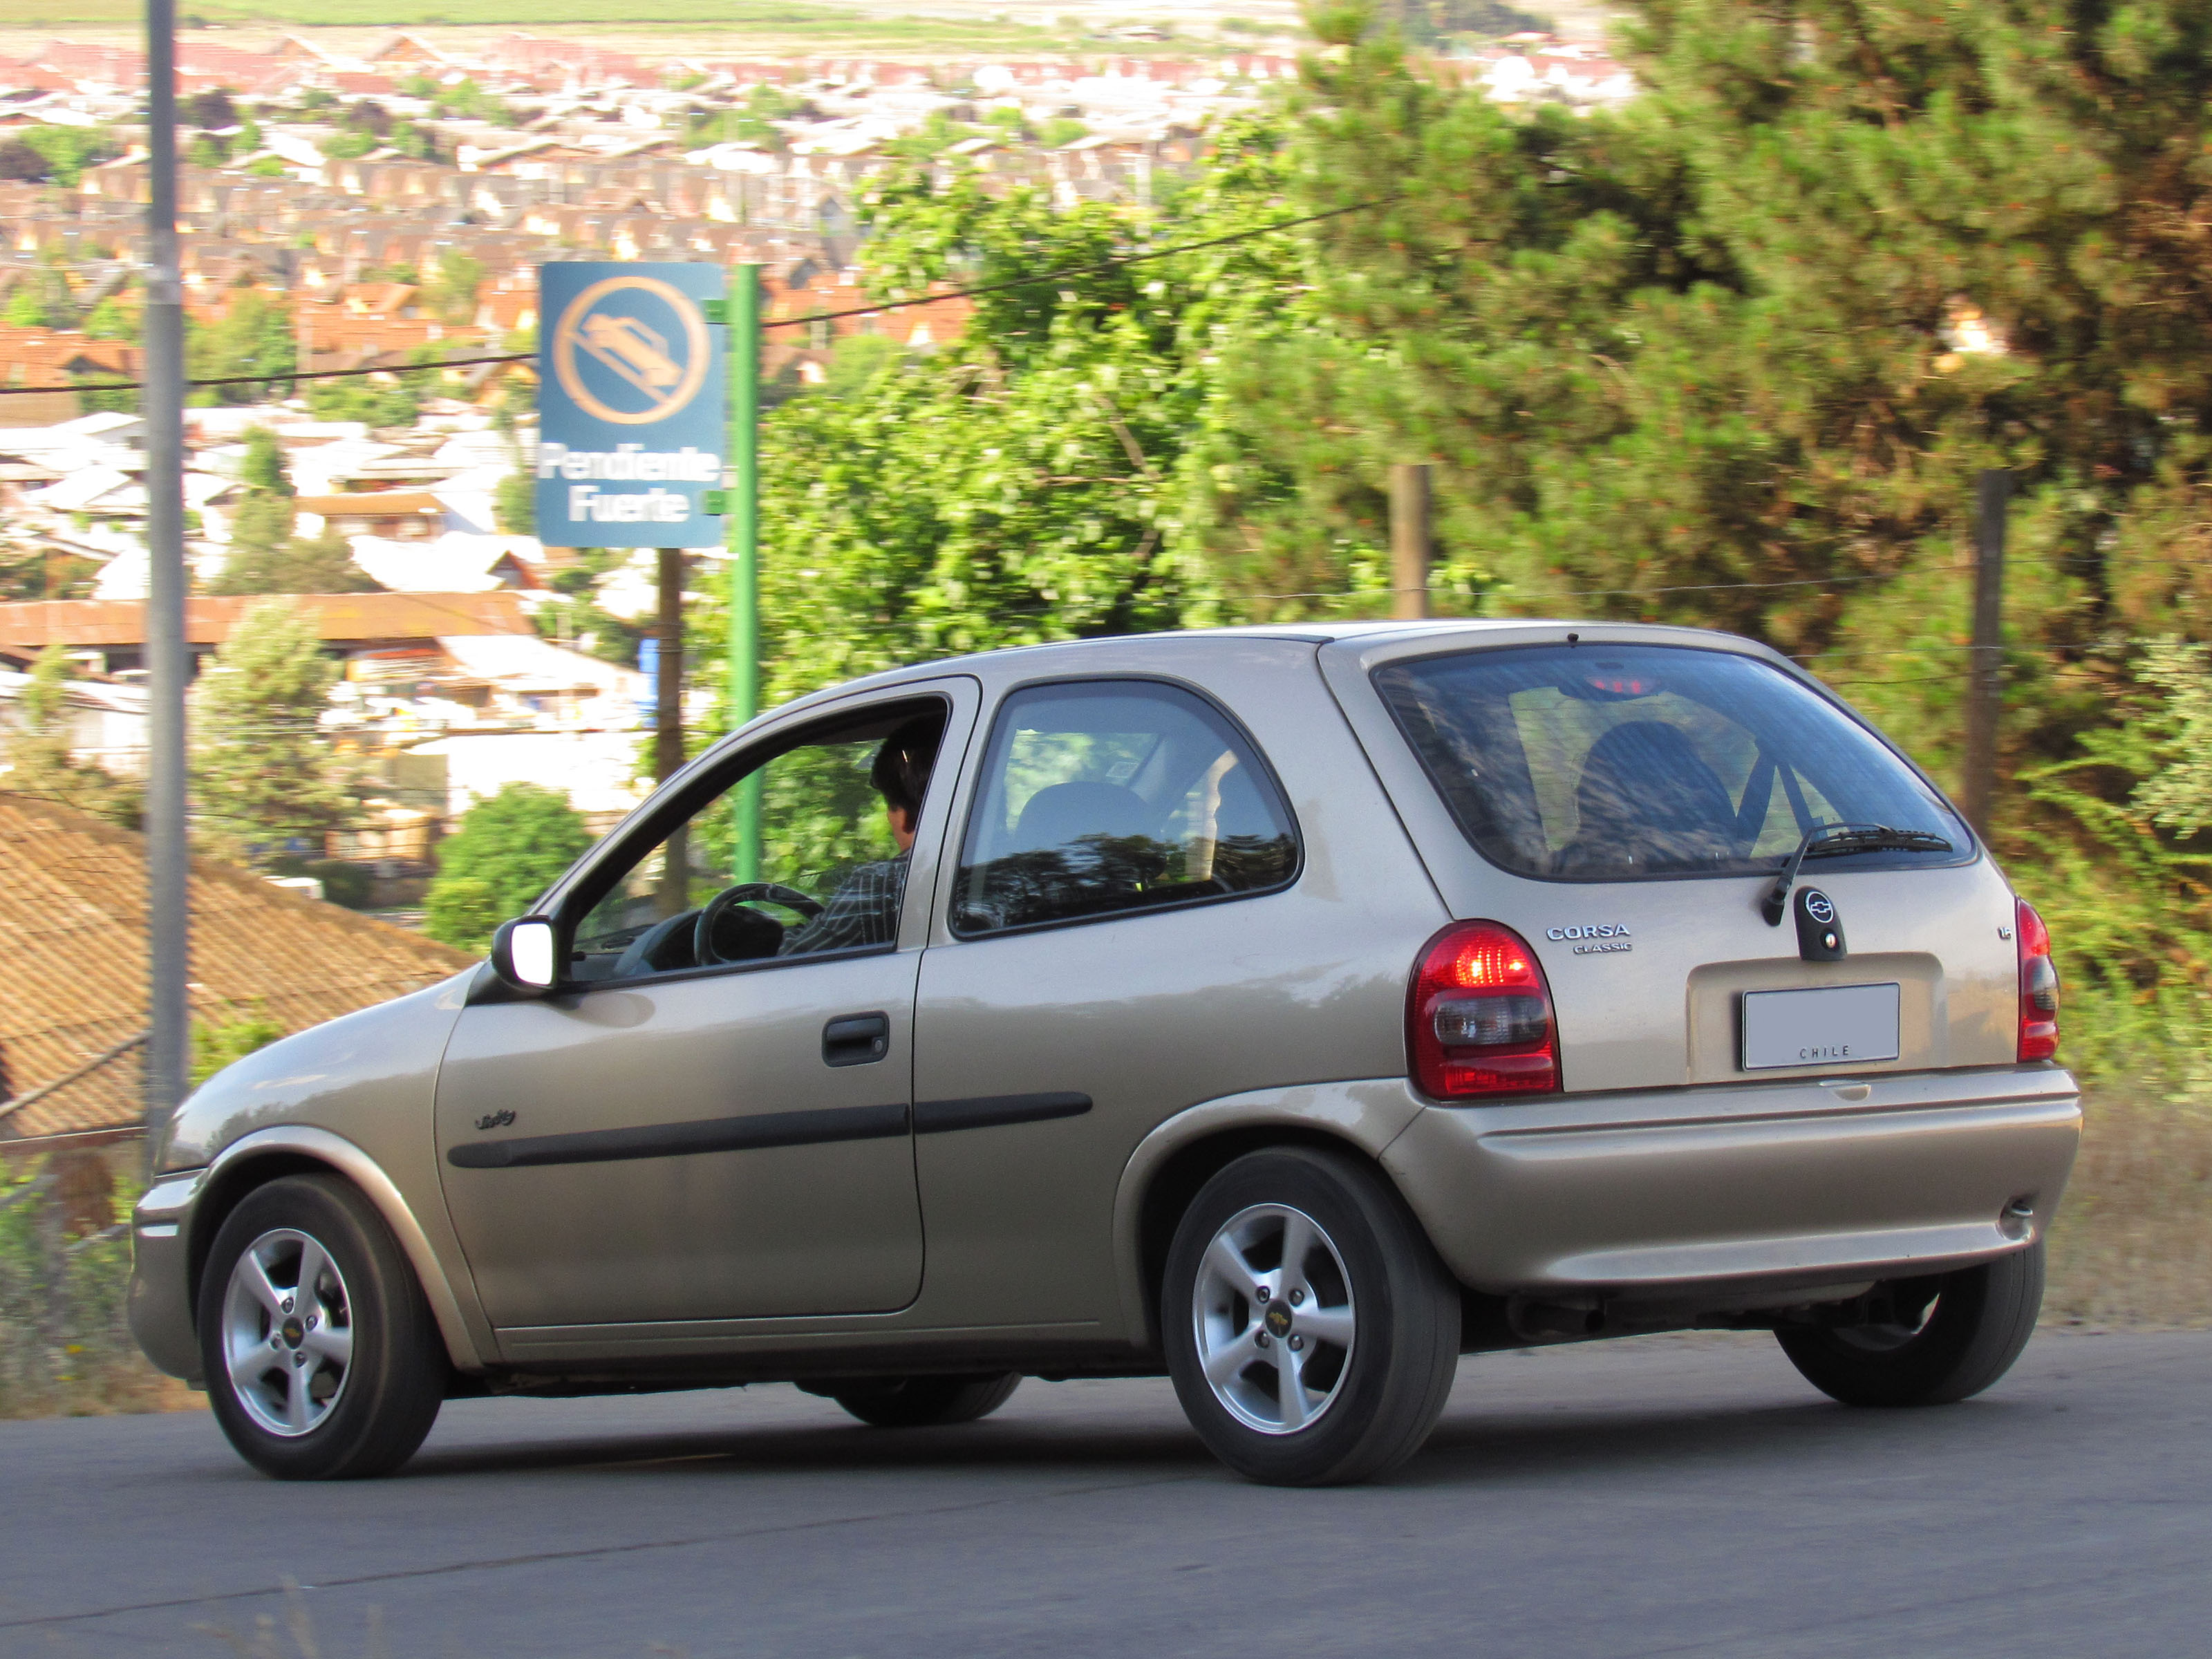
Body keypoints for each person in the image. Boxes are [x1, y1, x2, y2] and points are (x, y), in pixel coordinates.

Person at [778, 715, 941, 956]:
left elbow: (792, 961)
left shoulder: (880, 888)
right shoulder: (1003, 874)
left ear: (904, 817)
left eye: (888, 805)